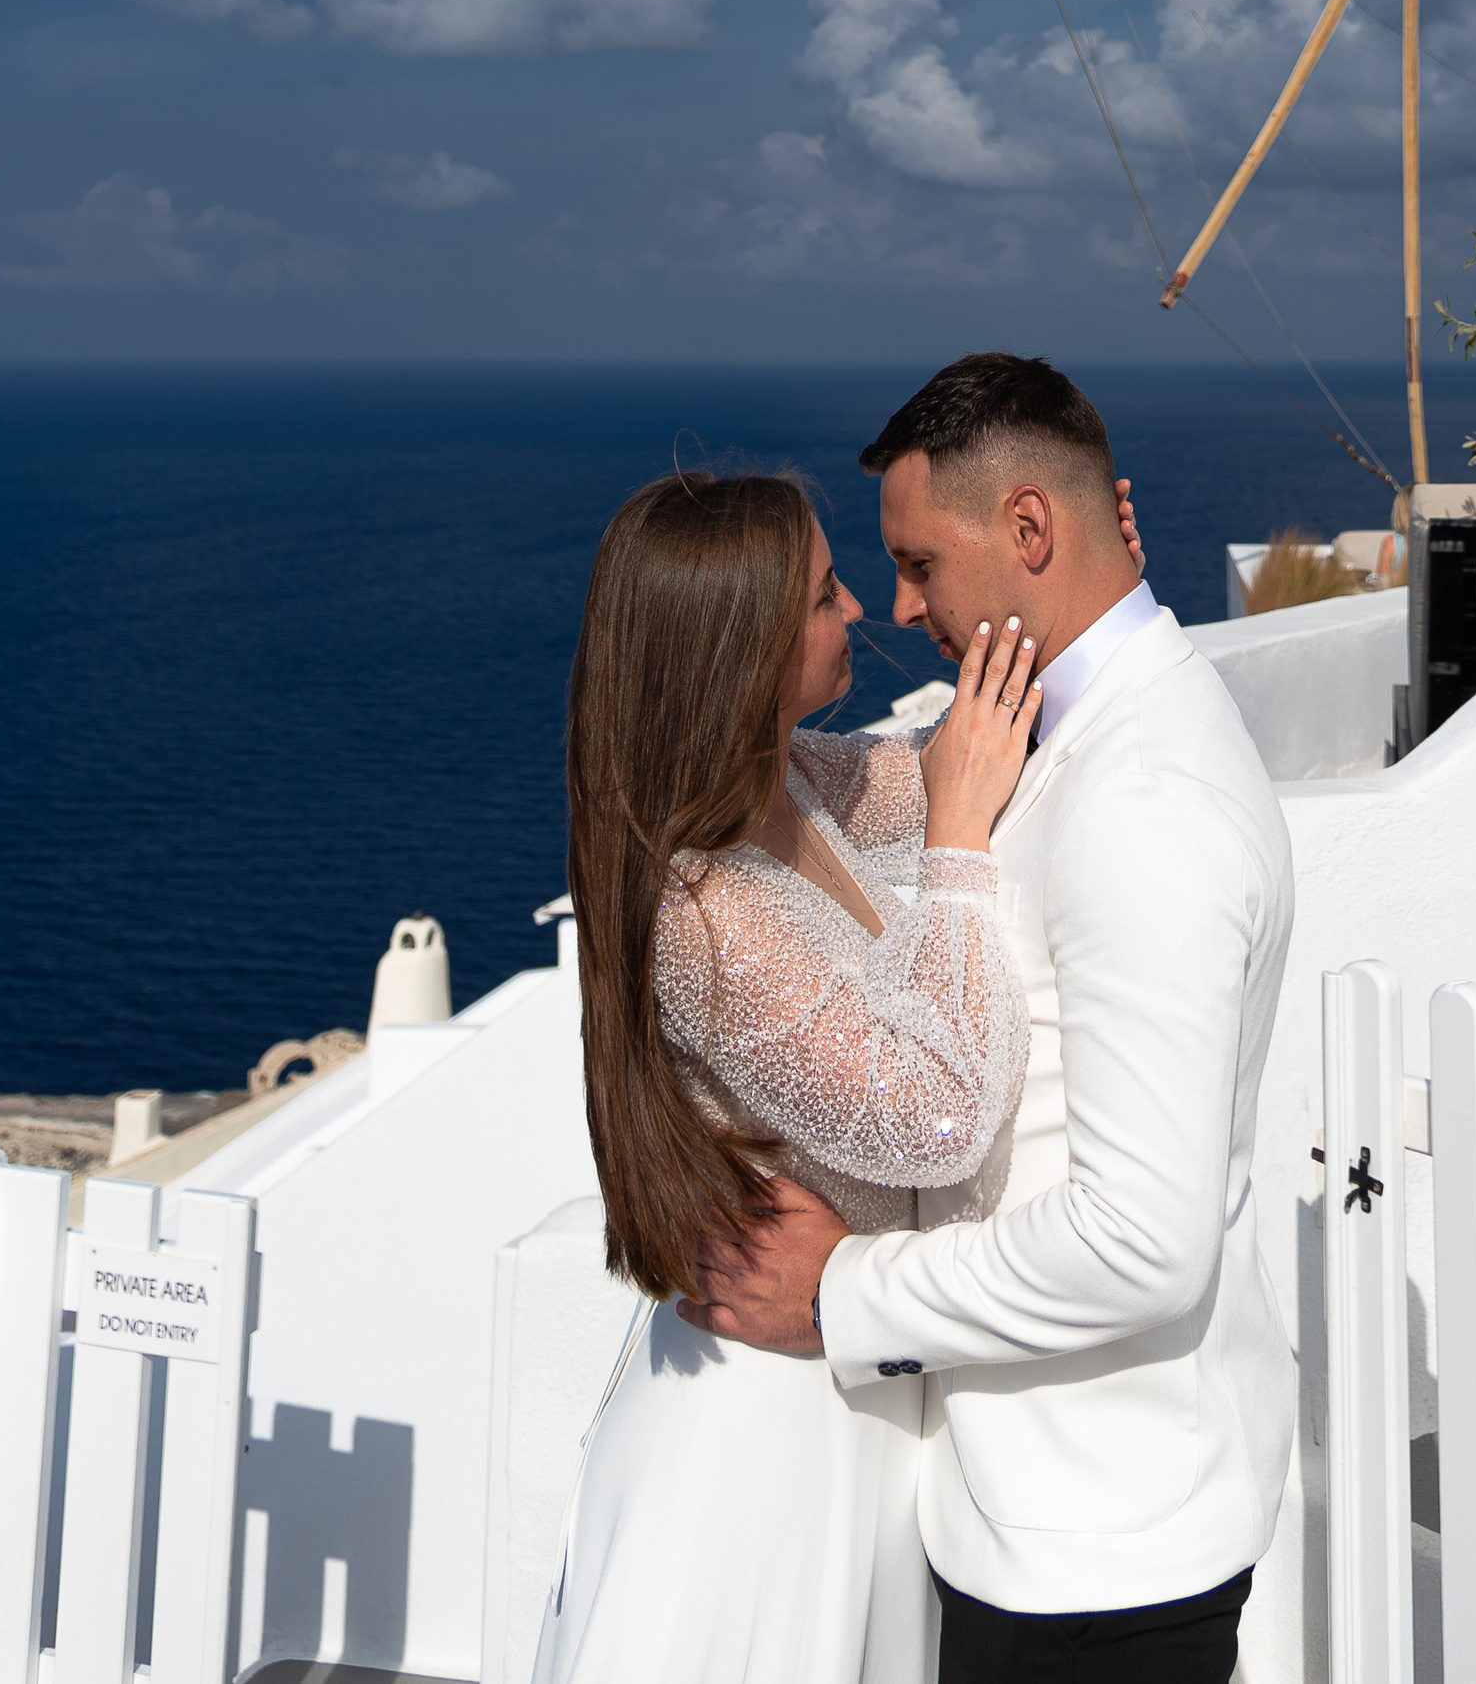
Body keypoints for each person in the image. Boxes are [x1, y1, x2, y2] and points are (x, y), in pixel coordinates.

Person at [690, 356, 1298, 1684]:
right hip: (1038, 1503)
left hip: (1094, 1542)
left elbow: (1143, 1242)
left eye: (917, 562)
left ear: (1029, 531)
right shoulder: (1065, 728)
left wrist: (839, 1291)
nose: (902, 605)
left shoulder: (1146, 806)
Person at [534, 466, 1043, 1684]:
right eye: (822, 596)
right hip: (758, 1448)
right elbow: (938, 1117)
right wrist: (960, 844)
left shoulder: (797, 785)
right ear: (741, 648)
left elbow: (958, 748)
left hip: (841, 1404)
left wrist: (1048, 578)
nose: (860, 606)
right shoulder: (702, 907)